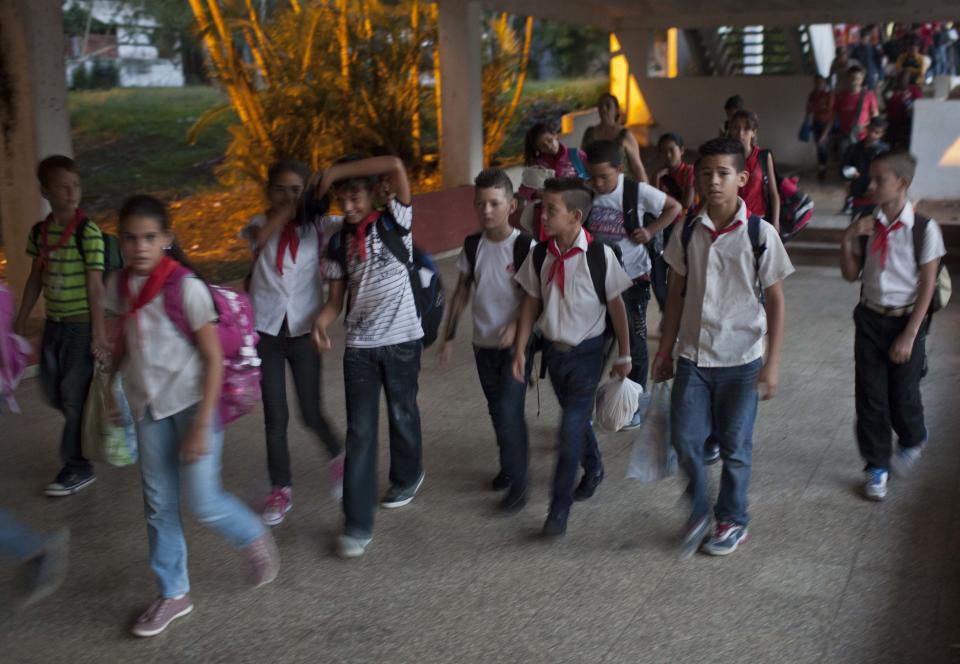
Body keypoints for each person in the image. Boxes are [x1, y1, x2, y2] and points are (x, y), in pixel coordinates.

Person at [104, 195, 279, 637]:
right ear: (120, 241)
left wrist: (202, 426)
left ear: (166, 238)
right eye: (130, 238)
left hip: (193, 407)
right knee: (158, 505)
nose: (140, 246)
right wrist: (111, 386)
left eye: (150, 237)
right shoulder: (119, 285)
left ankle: (251, 533)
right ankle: (174, 591)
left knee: (202, 501)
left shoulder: (185, 287)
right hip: (149, 410)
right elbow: (124, 335)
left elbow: (213, 360)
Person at [652, 137, 794, 559]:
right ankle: (699, 507)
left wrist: (772, 363)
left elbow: (777, 300)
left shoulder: (759, 234)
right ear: (695, 177)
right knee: (684, 439)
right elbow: (675, 293)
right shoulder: (688, 228)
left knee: (734, 447)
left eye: (723, 174)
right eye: (706, 173)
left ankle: (733, 518)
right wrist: (664, 350)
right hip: (693, 356)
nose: (713, 182)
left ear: (742, 179)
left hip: (741, 359)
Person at [312, 155, 424, 559]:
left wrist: (335, 172)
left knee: (402, 412)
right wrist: (321, 324)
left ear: (375, 192)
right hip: (359, 347)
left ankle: (408, 474)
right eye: (342, 199)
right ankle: (357, 524)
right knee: (359, 434)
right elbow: (336, 301)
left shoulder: (396, 220)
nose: (349, 206)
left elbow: (396, 163)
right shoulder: (338, 241)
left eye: (355, 196)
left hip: (402, 340)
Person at [512, 177, 633, 539]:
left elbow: (617, 307)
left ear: (575, 216)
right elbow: (531, 301)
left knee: (569, 431)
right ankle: (594, 468)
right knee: (575, 423)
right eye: (542, 208)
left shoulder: (599, 256)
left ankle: (558, 511)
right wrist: (520, 348)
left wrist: (625, 354)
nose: (543, 216)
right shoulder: (540, 254)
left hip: (587, 356)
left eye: (551, 210)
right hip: (554, 353)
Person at [242, 160, 344, 526]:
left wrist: (324, 185)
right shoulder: (257, 224)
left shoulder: (319, 228)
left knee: (310, 411)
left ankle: (339, 456)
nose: (288, 196)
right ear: (268, 192)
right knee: (275, 417)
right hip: (266, 332)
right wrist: (287, 208)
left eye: (296, 190)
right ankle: (280, 488)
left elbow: (352, 215)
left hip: (303, 331)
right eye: (281, 189)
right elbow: (262, 239)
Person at [839, 151, 945, 501]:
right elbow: (850, 274)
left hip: (906, 319)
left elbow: (927, 286)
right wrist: (849, 238)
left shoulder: (924, 229)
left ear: (902, 183)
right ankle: (876, 465)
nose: (870, 185)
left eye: (878, 180)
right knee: (870, 397)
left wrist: (910, 335)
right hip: (870, 316)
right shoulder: (868, 222)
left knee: (903, 394)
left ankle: (914, 436)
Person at [439, 168, 535, 513]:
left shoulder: (524, 246)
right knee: (497, 411)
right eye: (480, 204)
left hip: (515, 346)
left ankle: (520, 486)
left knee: (510, 411)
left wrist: (515, 326)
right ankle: (508, 468)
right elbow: (462, 290)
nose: (486, 210)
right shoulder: (472, 244)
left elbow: (532, 297)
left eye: (494, 203)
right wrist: (449, 336)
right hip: (483, 344)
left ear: (511, 206)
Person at [12, 155, 108, 496]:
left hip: (80, 328)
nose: (71, 193)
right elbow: (36, 278)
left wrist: (99, 332)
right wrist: (22, 316)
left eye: (76, 186)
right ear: (45, 191)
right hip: (54, 326)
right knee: (53, 391)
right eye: (62, 187)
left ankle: (78, 465)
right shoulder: (40, 233)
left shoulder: (89, 233)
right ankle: (80, 433)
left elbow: (96, 287)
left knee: (72, 396)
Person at [583, 139, 681, 391]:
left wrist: (650, 231)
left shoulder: (636, 192)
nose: (598, 183)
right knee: (596, 342)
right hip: (598, 280)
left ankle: (634, 400)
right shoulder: (587, 193)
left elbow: (674, 208)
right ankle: (588, 401)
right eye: (593, 177)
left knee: (636, 344)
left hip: (633, 279)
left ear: (619, 170)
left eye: (604, 177)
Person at [729, 110, 781, 232]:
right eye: (736, 128)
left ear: (754, 132)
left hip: (758, 221)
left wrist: (775, 223)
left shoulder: (763, 156)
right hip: (733, 221)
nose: (740, 133)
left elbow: (774, 194)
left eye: (746, 129)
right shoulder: (727, 157)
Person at [580, 93, 649, 183]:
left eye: (608, 105)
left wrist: (647, 191)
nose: (603, 109)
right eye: (600, 105)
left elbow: (637, 166)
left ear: (616, 110)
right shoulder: (589, 133)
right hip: (596, 184)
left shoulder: (625, 135)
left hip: (622, 185)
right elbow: (581, 159)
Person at [843, 117, 890, 219]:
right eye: (871, 130)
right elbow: (844, 169)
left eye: (877, 133)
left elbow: (888, 174)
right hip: (858, 193)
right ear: (867, 128)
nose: (873, 135)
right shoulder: (854, 148)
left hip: (877, 195)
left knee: (876, 225)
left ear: (882, 134)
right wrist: (850, 173)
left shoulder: (885, 152)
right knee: (857, 223)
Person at [655, 133, 696, 216]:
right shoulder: (659, 174)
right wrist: (655, 177)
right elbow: (654, 203)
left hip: (684, 219)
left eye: (671, 150)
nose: (668, 155)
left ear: (681, 150)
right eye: (663, 151)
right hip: (664, 220)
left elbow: (686, 203)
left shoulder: (689, 171)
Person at [806, 75, 835, 181]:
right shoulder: (813, 95)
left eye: (821, 82)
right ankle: (821, 168)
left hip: (826, 123)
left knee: (823, 145)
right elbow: (809, 109)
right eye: (817, 82)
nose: (819, 84)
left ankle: (823, 168)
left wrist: (825, 132)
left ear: (824, 83)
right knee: (819, 146)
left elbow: (831, 111)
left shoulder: (828, 95)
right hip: (816, 122)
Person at [885, 70, 922, 149]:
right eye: (901, 78)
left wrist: (908, 100)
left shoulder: (913, 90)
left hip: (907, 123)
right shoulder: (893, 91)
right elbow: (888, 106)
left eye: (905, 78)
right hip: (893, 122)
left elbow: (920, 105)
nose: (903, 80)